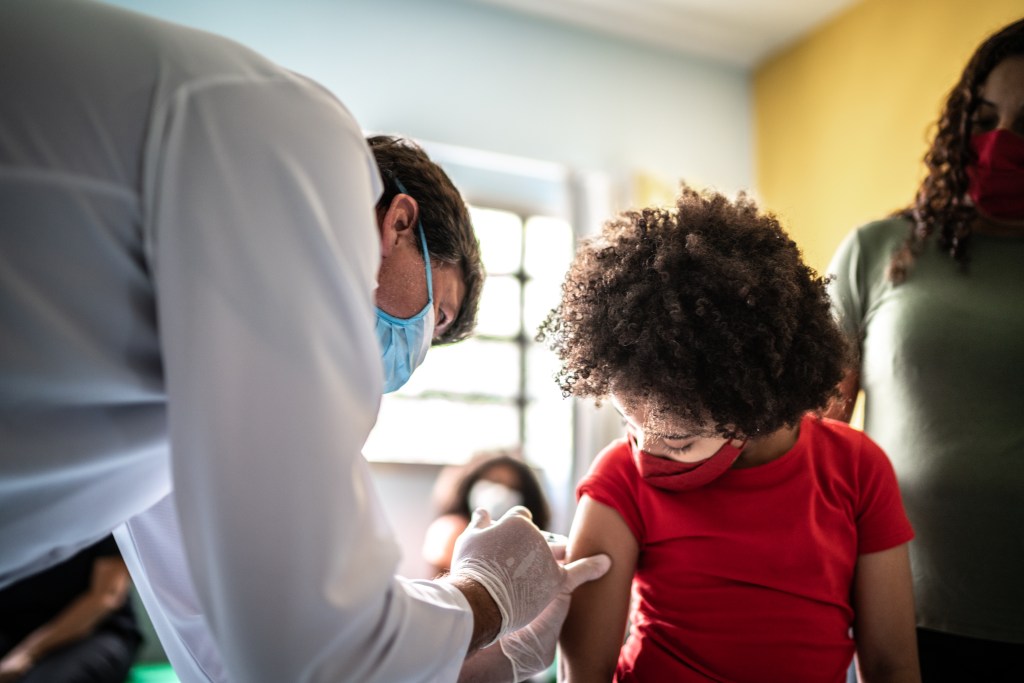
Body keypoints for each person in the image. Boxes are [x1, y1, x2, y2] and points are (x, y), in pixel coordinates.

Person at [0, 2, 609, 682]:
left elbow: (234, 655)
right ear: (399, 220)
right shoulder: (309, 152)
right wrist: (487, 598)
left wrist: (490, 660)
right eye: (436, 316)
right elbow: (314, 645)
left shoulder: (189, 386)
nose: (416, 351)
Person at [542, 185, 921, 682]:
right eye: (629, 426)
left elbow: (893, 665)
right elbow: (583, 675)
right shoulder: (619, 480)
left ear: (755, 405)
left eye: (678, 441)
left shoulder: (857, 469)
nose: (643, 456)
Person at [826, 19, 1024, 682]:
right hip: (903, 626)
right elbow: (810, 438)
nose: (1000, 144)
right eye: (986, 117)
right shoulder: (880, 251)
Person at [0, 535, 141, 683]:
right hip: (12, 631)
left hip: (93, 632)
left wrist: (26, 653)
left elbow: (106, 597)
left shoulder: (104, 521)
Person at [423, 449, 553, 576]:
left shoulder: (529, 541)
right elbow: (437, 586)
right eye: (494, 481)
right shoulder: (451, 529)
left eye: (512, 487)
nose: (500, 492)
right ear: (470, 484)